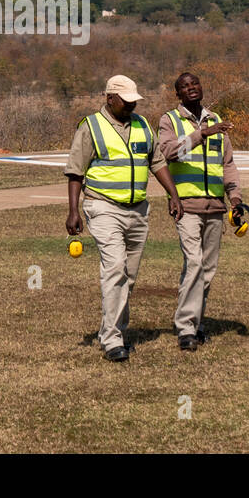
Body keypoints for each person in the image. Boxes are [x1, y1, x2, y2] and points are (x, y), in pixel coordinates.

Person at [64, 75, 182, 362]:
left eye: (134, 101)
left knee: (128, 277)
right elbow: (76, 171)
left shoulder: (142, 125)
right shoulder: (91, 126)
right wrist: (73, 210)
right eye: (126, 101)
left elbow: (156, 162)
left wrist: (173, 195)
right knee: (115, 268)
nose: (131, 105)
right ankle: (112, 339)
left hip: (138, 210)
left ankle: (115, 329)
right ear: (109, 98)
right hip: (103, 207)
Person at [156, 72, 244, 351]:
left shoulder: (216, 120)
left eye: (194, 83)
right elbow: (167, 152)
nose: (191, 88)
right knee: (194, 263)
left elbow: (227, 163)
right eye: (184, 86)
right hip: (187, 206)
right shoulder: (170, 120)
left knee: (207, 269)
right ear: (178, 94)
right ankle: (185, 329)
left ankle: (196, 324)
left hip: (216, 207)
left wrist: (236, 198)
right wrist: (199, 135)